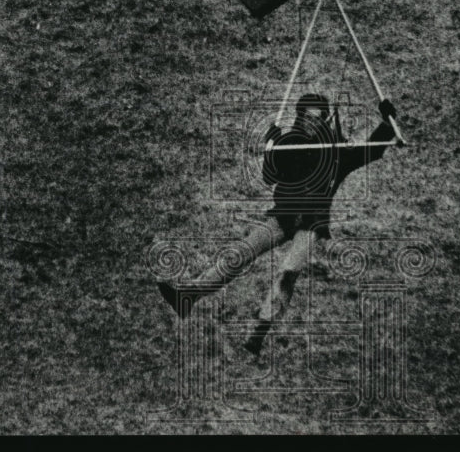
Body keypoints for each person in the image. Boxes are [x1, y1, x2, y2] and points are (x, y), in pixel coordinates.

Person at [157, 94, 399, 354]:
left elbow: (371, 150)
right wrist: (271, 147)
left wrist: (387, 124)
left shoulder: (337, 153)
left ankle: (259, 333)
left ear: (326, 120)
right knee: (240, 253)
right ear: (299, 119)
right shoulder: (290, 144)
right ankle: (188, 296)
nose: (311, 124)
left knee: (288, 271)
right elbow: (268, 176)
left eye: (317, 119)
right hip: (283, 217)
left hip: (311, 224)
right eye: (306, 118)